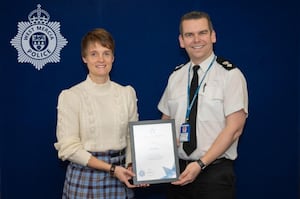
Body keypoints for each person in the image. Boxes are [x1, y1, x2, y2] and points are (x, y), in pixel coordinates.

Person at [158, 11, 248, 199]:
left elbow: (234, 129)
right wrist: (152, 160)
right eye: (189, 35)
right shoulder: (176, 76)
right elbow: (165, 122)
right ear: (181, 41)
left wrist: (200, 164)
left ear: (213, 36)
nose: (196, 40)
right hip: (178, 174)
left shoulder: (230, 75)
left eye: (202, 33)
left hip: (214, 174)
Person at [54, 28, 139, 199]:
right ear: (84, 58)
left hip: (121, 176)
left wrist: (131, 165)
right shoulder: (71, 96)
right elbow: (69, 148)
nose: (101, 59)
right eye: (94, 54)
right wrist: (111, 169)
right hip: (87, 178)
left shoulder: (126, 93)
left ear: (113, 58)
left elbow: (132, 136)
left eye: (106, 53)